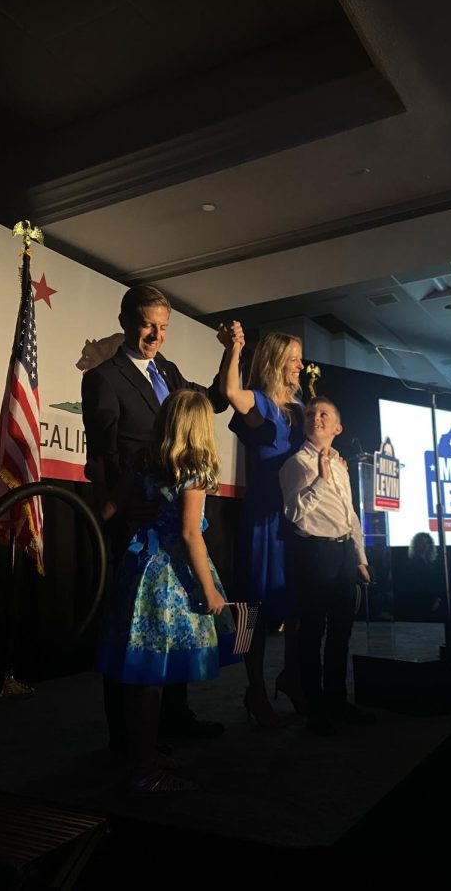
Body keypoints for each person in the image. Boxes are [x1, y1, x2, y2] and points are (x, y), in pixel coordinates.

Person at [82, 284, 243, 747]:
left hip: (172, 524)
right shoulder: (102, 377)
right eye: (147, 324)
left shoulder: (168, 370)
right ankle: (125, 738)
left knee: (175, 623)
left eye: (163, 327)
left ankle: (174, 719)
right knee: (130, 631)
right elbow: (102, 455)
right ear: (125, 321)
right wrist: (125, 501)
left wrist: (233, 351)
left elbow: (212, 400)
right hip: (138, 523)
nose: (155, 335)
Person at [96, 390, 238, 793]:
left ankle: (141, 752)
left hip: (136, 572)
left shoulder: (143, 460)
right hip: (168, 580)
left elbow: (111, 508)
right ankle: (143, 769)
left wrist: (100, 491)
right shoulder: (193, 467)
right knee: (152, 677)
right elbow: (190, 532)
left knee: (138, 672)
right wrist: (210, 590)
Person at [218, 329, 305, 727]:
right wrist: (235, 349)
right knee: (252, 607)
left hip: (294, 518)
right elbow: (231, 391)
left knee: (297, 604)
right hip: (263, 518)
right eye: (294, 358)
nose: (300, 366)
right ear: (275, 361)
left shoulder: (301, 407)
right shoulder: (260, 402)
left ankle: (290, 676)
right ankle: (253, 687)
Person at [279, 397, 376, 736]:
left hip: (344, 554)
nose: (315, 418)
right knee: (313, 633)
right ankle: (315, 709)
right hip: (315, 554)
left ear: (338, 428)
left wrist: (361, 557)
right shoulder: (295, 464)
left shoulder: (340, 464)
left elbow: (350, 515)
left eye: (323, 415)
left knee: (341, 633)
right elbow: (295, 514)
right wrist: (319, 480)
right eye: (309, 414)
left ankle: (337, 701)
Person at [399, 532, 444, 621]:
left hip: (434, 601)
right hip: (420, 602)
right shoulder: (412, 563)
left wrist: (437, 598)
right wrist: (432, 600)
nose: (424, 545)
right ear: (416, 544)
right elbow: (418, 585)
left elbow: (436, 582)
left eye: (427, 542)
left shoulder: (431, 563)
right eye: (422, 542)